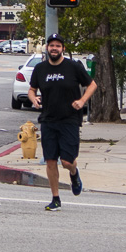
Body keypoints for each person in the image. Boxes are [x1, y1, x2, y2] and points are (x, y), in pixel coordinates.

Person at [28, 34, 97, 211]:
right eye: (52, 45)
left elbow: (92, 85)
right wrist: (33, 99)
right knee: (50, 161)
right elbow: (32, 89)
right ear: (47, 48)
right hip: (49, 120)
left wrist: (82, 101)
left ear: (63, 49)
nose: (54, 48)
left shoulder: (73, 67)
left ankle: (74, 174)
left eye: (58, 46)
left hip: (69, 120)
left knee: (67, 161)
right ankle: (55, 198)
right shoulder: (40, 69)